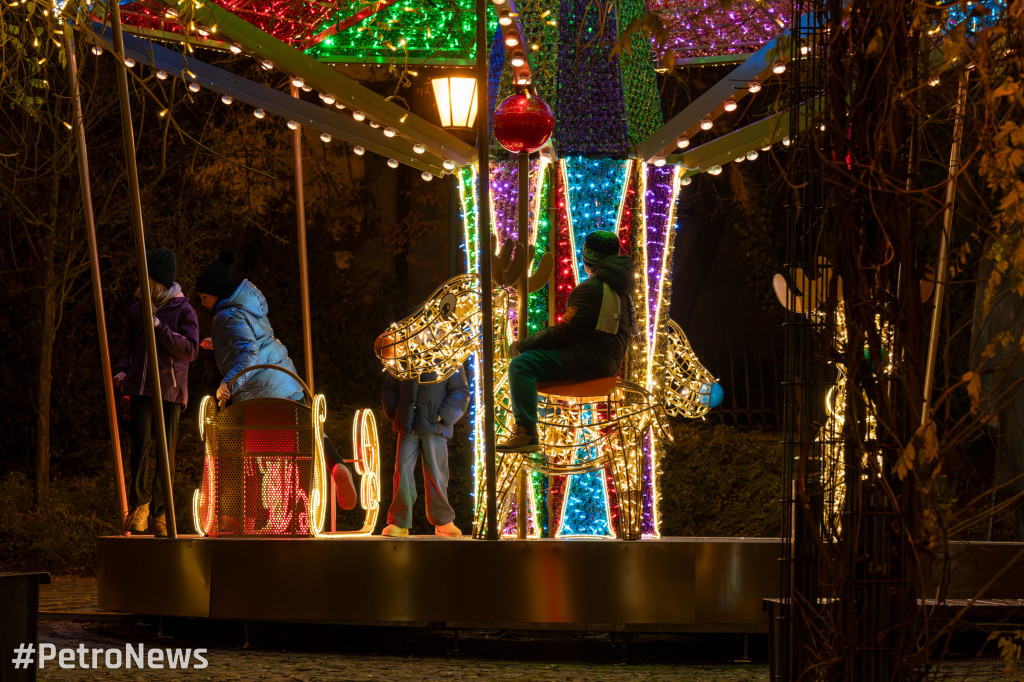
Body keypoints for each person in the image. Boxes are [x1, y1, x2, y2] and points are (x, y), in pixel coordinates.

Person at [195, 250, 357, 511]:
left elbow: (249, 353)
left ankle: (266, 511)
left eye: (203, 297)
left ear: (217, 293)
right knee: (310, 434)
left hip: (261, 391)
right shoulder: (246, 307)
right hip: (288, 380)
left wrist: (227, 384)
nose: (202, 302)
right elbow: (255, 339)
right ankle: (337, 465)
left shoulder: (226, 315)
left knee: (263, 452)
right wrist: (220, 344)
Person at [497, 230, 636, 452]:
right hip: (606, 357)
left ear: (587, 258)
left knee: (522, 365)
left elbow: (567, 331)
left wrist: (523, 345)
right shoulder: (620, 287)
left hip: (591, 358)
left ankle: (526, 432)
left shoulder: (592, 289)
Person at [115, 248, 200, 537]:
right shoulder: (137, 310)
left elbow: (190, 350)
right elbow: (128, 348)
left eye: (145, 276)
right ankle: (139, 507)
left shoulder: (184, 310)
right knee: (140, 448)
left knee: (165, 453)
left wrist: (161, 328)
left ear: (157, 279)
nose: (140, 282)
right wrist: (123, 369)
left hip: (169, 393)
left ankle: (161, 514)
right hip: (140, 389)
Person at [380, 366, 470, 537]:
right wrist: (397, 413)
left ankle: (442, 521)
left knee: (436, 473)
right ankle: (399, 522)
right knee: (402, 472)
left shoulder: (448, 354)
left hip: (433, 427)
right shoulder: (403, 354)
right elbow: (389, 386)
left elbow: (460, 390)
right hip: (409, 425)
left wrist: (441, 416)